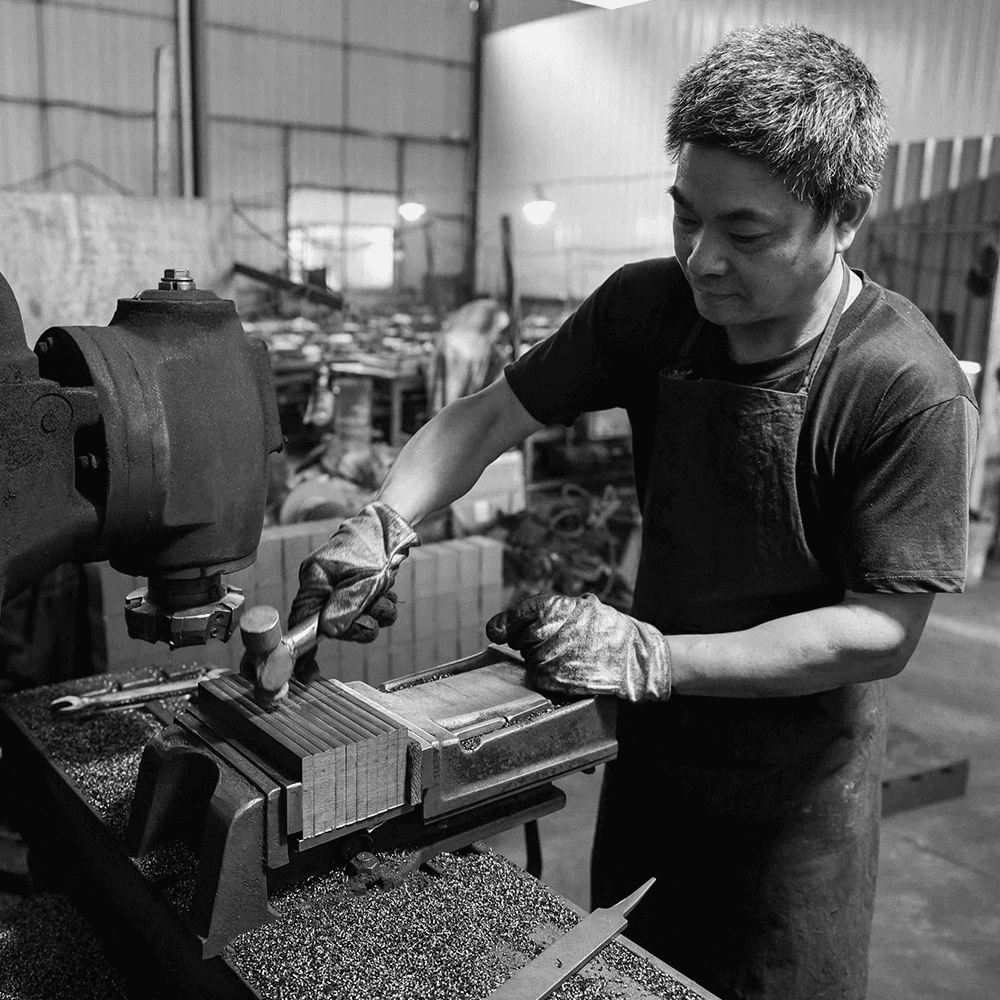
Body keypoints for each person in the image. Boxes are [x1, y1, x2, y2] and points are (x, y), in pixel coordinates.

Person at [288, 25, 978, 1000]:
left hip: (792, 801)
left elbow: (880, 627)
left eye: (745, 233)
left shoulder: (904, 385)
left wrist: (654, 654)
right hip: (651, 755)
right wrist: (385, 520)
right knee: (627, 974)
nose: (702, 259)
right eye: (683, 215)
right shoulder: (647, 308)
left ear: (846, 215)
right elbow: (492, 413)